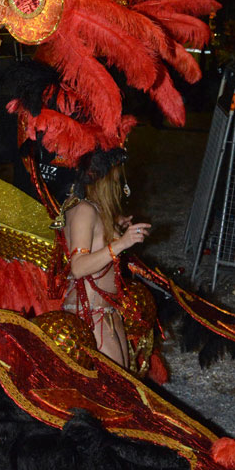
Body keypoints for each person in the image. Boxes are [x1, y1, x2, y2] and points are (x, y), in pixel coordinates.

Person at [60, 147, 151, 369]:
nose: (120, 186)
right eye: (117, 180)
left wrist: (114, 227)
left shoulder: (92, 208)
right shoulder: (84, 211)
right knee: (113, 392)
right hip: (90, 315)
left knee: (123, 383)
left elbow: (93, 238)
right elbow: (78, 267)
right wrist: (121, 243)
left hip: (105, 311)